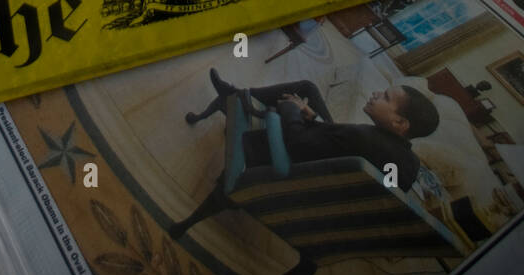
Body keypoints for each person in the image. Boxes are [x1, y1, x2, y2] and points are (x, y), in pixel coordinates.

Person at [186, 69, 439, 192]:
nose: (375, 94)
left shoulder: (363, 136)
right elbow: (338, 142)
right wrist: (314, 117)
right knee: (307, 89)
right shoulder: (407, 159)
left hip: (296, 158)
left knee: (295, 97)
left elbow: (298, 145)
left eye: (385, 97)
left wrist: (292, 111)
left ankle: (234, 96)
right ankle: (236, 95)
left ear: (400, 124)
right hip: (327, 149)